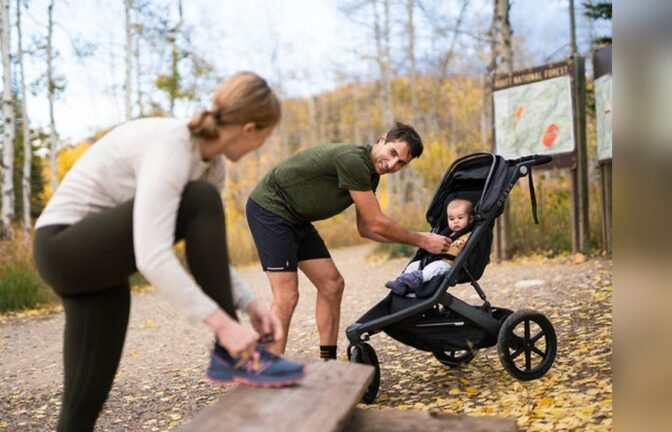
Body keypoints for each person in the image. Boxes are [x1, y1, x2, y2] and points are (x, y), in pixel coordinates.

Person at [33, 71, 305, 432]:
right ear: (250, 128)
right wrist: (225, 328)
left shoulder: (213, 165)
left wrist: (251, 303)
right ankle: (230, 357)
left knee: (81, 409)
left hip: (103, 265)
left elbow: (208, 258)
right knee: (199, 198)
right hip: (62, 247)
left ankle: (230, 355)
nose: (261, 146)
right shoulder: (174, 145)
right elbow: (152, 256)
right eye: (264, 138)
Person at [245, 122, 453, 360]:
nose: (393, 165)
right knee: (287, 295)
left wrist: (414, 240)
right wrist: (422, 240)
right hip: (270, 208)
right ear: (381, 139)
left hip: (296, 218)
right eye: (393, 153)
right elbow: (376, 223)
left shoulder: (371, 175)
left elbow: (365, 229)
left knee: (332, 284)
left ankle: (328, 361)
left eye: (401, 163)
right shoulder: (353, 160)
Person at [385, 198, 474, 296]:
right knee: (414, 265)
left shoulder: (468, 234)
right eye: (451, 219)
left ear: (470, 219)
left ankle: (415, 279)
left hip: (448, 264)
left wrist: (462, 243)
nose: (455, 221)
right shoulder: (447, 232)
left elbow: (468, 243)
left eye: (460, 218)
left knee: (433, 268)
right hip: (433, 260)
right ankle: (402, 283)